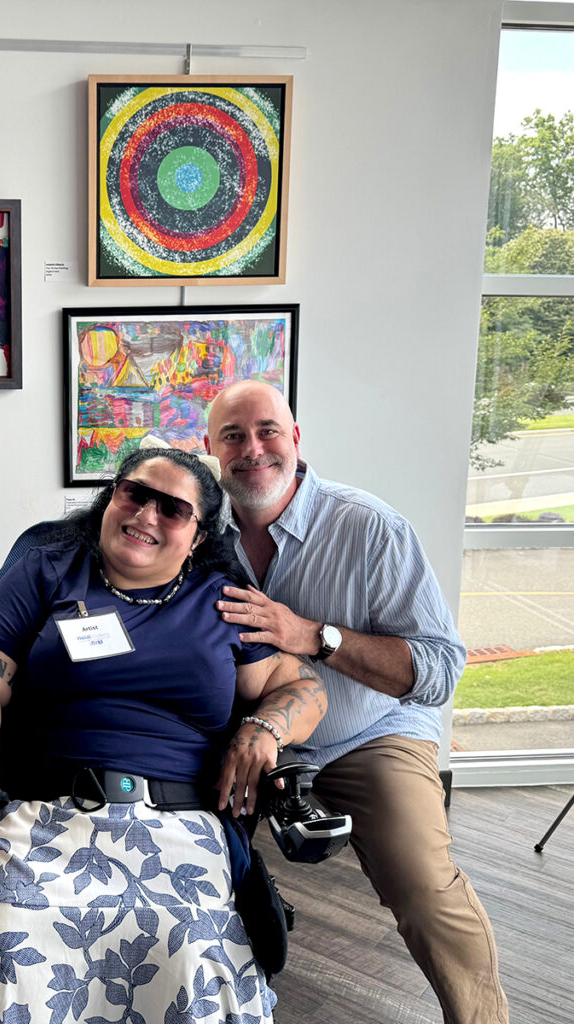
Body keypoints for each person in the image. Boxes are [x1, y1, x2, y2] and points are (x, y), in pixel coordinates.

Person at [0, 445, 327, 1024]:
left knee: (194, 952)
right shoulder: (47, 571)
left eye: (172, 509)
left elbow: (302, 685)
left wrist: (263, 728)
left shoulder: (220, 602)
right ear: (110, 497)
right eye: (135, 493)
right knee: (14, 938)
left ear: (197, 536)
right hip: (48, 810)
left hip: (181, 820)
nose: (146, 515)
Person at [204, 380, 509, 1024]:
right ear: (210, 447)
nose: (252, 448)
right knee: (184, 863)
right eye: (233, 435)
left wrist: (313, 636)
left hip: (366, 733)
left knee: (423, 886)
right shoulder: (199, 531)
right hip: (246, 735)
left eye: (267, 431)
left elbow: (438, 669)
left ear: (295, 439)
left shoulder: (369, 528)